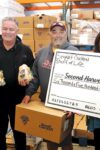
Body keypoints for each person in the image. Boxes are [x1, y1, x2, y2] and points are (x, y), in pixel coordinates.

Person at [22, 21, 79, 150]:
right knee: (49, 136)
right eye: (54, 31)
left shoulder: (74, 52)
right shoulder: (42, 53)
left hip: (66, 107)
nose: (57, 35)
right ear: (49, 34)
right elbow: (35, 77)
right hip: (46, 104)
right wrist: (28, 93)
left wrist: (73, 103)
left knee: (65, 140)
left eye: (61, 31)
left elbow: (79, 83)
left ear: (66, 34)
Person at [0, 17, 34, 150]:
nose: (7, 32)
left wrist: (28, 77)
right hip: (0, 100)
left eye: (11, 29)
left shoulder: (25, 50)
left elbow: (33, 73)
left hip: (18, 100)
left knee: (20, 132)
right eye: (5, 28)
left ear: (17, 31)